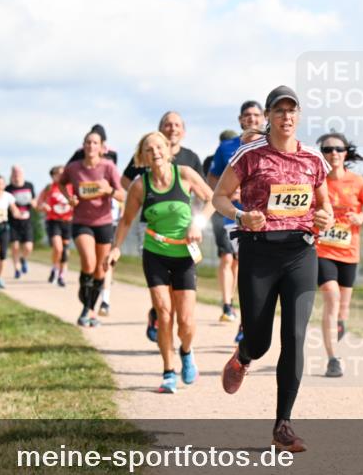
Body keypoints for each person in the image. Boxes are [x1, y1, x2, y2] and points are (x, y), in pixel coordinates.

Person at [212, 85, 333, 453]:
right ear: (268, 116)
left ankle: (283, 424)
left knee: (295, 336)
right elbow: (219, 197)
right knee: (261, 339)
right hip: (259, 252)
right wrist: (240, 215)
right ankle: (245, 355)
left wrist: (324, 218)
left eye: (291, 111)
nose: (286, 117)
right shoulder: (250, 154)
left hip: (301, 252)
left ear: (299, 115)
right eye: (278, 111)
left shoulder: (313, 158)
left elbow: (323, 205)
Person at [108, 131, 215, 393]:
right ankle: (168, 371)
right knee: (164, 312)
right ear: (142, 157)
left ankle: (187, 352)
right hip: (155, 253)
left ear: (168, 150)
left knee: (186, 321)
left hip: (185, 254)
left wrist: (196, 222)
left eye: (158, 146)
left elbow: (213, 199)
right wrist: (115, 249)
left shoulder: (186, 174)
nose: (154, 151)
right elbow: (125, 220)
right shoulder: (139, 185)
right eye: (148, 149)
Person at [315, 131, 363, 378]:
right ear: (321, 154)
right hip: (322, 250)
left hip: (349, 252)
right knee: (331, 298)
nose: (333, 153)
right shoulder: (316, 181)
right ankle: (333, 359)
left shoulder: (357, 182)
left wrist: (362, 216)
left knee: (342, 310)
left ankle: (338, 327)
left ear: (346, 153)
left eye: (338, 149)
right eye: (327, 149)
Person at [59, 128, 125, 326]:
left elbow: (122, 195)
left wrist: (109, 190)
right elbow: (61, 183)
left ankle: (89, 309)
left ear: (102, 147)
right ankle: (85, 300)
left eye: (95, 143)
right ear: (83, 145)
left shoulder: (108, 167)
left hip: (103, 222)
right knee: (88, 262)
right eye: (88, 142)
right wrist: (69, 197)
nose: (91, 146)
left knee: (101, 268)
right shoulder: (74, 168)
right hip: (81, 222)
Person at [208, 101, 266, 324]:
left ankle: (246, 317)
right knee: (232, 260)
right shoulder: (226, 148)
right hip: (231, 216)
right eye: (247, 115)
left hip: (262, 217)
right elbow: (213, 178)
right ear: (240, 120)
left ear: (263, 118)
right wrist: (225, 192)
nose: (252, 119)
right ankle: (229, 306)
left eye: (256, 115)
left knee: (248, 266)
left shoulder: (271, 144)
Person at [37, 165, 74, 287]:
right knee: (58, 248)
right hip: (53, 220)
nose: (60, 175)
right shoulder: (49, 188)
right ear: (52, 176)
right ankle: (55, 268)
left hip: (67, 221)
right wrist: (43, 206)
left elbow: (78, 201)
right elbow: (38, 203)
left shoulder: (71, 187)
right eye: (57, 173)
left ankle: (61, 275)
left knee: (65, 251)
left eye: (62, 173)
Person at [5, 166, 36, 279]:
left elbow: (33, 200)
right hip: (13, 222)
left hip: (26, 220)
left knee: (28, 247)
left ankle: (23, 259)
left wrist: (35, 204)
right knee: (15, 246)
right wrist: (13, 210)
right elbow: (6, 203)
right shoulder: (8, 188)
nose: (17, 175)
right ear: (12, 174)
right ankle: (17, 269)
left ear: (22, 173)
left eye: (19, 172)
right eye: (14, 173)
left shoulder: (29, 185)